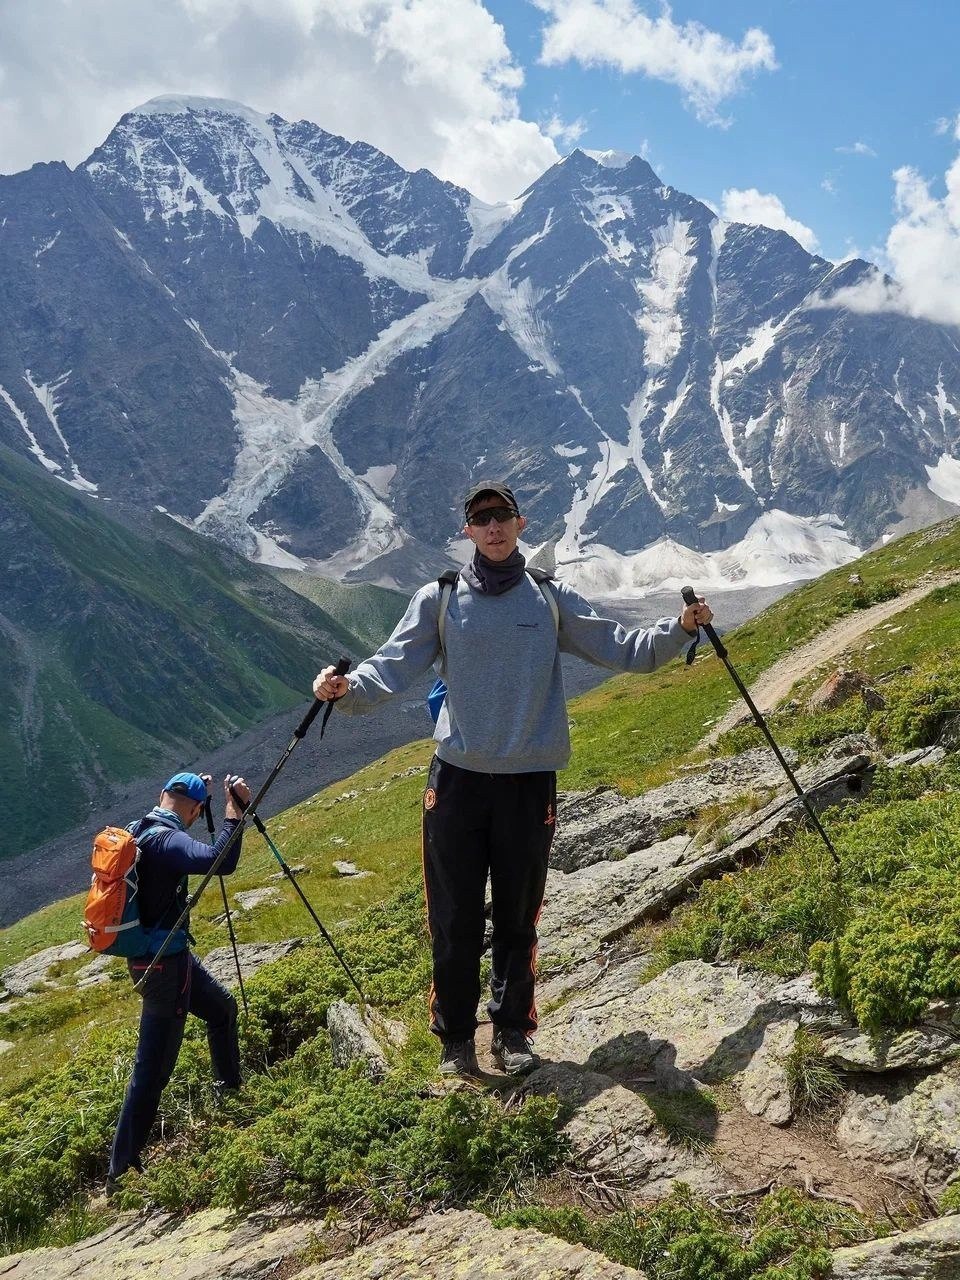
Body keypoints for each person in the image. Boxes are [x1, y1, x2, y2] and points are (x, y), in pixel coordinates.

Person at [313, 482, 712, 1079]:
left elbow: (619, 646)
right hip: (456, 782)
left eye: (502, 518)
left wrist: (680, 629)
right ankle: (454, 1041)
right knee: (454, 917)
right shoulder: (441, 599)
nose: (493, 528)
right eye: (481, 520)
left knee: (518, 916)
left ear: (521, 525)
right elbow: (390, 665)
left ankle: (511, 1032)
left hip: (527, 782)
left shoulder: (549, 597)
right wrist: (345, 692)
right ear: (468, 532)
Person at [106, 769, 251, 1192]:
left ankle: (230, 1094)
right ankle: (121, 1173)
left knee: (222, 1009)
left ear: (162, 794)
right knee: (152, 1070)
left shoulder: (142, 828)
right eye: (196, 810)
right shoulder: (165, 839)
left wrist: (199, 788)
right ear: (192, 809)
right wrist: (231, 815)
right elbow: (218, 861)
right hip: (163, 970)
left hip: (170, 958)